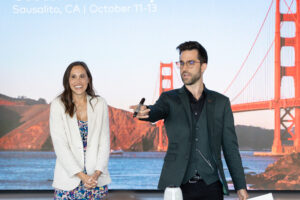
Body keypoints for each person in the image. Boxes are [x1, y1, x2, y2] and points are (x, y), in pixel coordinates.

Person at [130, 41, 248, 200]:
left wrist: (240, 186)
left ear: (203, 66)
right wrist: (146, 111)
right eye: (181, 63)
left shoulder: (221, 102)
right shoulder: (168, 99)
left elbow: (230, 148)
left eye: (191, 63)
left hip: (212, 187)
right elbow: (157, 110)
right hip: (177, 187)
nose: (184, 68)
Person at [49, 61, 111, 199]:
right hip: (67, 181)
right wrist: (82, 176)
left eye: (82, 76)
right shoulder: (57, 105)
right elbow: (60, 146)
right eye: (73, 76)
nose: (78, 81)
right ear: (67, 80)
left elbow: (104, 142)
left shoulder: (100, 103)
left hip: (96, 181)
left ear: (88, 79)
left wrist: (95, 175)